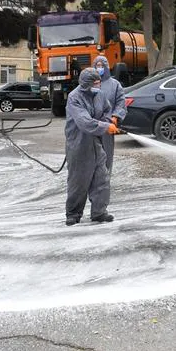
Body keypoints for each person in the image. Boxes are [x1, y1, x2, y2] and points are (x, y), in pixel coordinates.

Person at [64, 68, 120, 226]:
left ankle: (99, 212)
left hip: (96, 142)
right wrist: (105, 127)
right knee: (78, 181)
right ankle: (73, 214)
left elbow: (107, 110)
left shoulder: (100, 95)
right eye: (95, 83)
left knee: (101, 177)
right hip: (79, 143)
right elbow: (84, 122)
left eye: (99, 83)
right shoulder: (74, 98)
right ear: (86, 83)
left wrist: (109, 121)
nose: (98, 86)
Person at [93, 56, 126, 172]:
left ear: (107, 67)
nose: (100, 68)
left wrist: (116, 116)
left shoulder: (115, 85)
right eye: (97, 66)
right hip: (92, 124)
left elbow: (121, 101)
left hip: (108, 123)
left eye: (102, 66)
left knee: (107, 151)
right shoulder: (90, 83)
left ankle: (106, 175)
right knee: (92, 152)